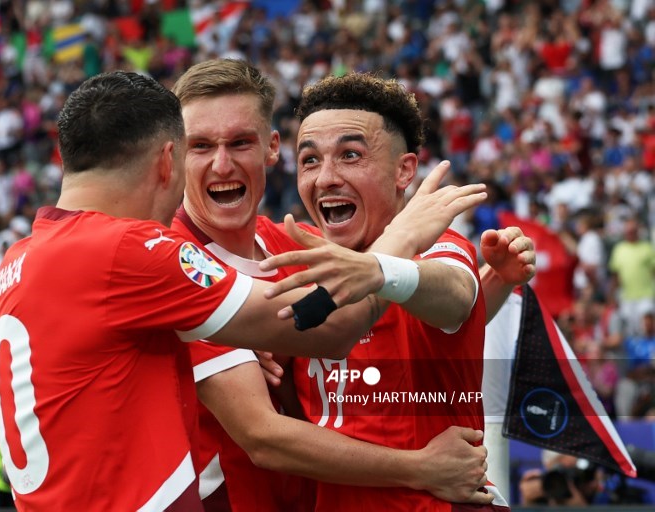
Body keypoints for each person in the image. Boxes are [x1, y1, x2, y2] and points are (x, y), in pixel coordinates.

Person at [0, 71, 485, 511]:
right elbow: (332, 334)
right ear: (169, 161)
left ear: (269, 148)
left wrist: (492, 284)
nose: (221, 165)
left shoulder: (21, 258)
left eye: (240, 143)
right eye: (200, 147)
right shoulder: (144, 254)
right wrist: (403, 239)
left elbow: (432, 316)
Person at [171, 60, 534, 511]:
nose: (326, 177)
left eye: (350, 155)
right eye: (201, 145)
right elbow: (263, 435)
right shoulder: (179, 266)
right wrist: (420, 466)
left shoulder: (303, 248)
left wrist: (486, 285)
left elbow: (453, 299)